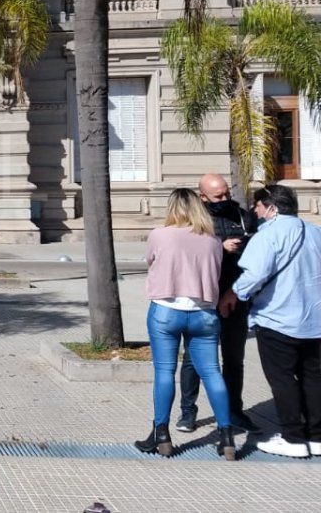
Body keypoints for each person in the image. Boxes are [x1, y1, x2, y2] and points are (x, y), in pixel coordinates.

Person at [134, 188, 234, 460]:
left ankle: (161, 433)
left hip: (166, 310)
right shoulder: (213, 239)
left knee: (165, 372)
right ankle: (226, 436)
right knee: (212, 373)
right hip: (203, 313)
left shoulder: (160, 234)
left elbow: (150, 260)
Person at [226, 185, 321, 459]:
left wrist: (233, 294)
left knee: (282, 379)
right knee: (313, 377)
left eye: (258, 205)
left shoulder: (266, 237)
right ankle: (316, 436)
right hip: (314, 320)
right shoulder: (315, 232)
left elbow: (254, 275)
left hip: (277, 319)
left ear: (272, 208)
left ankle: (292, 438)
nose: (254, 211)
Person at [178, 174, 259, 433]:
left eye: (226, 194)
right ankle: (187, 412)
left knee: (234, 359)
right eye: (218, 196)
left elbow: (259, 254)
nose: (225, 199)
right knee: (193, 358)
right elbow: (185, 256)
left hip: (235, 299)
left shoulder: (243, 216)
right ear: (202, 196)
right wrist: (219, 248)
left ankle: (234, 410)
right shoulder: (192, 219)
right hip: (203, 300)